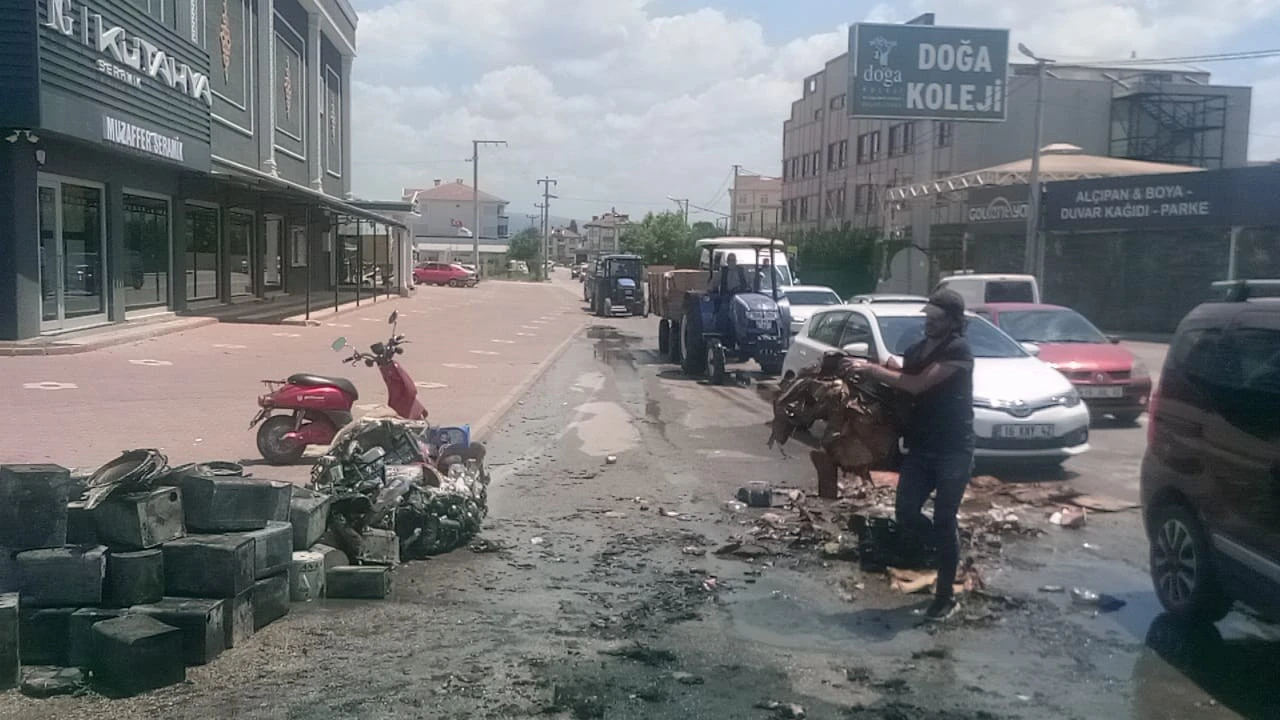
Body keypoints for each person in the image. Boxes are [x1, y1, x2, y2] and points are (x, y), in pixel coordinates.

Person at [852, 289, 974, 621]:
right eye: (928, 318)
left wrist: (873, 370)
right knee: (906, 512)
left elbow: (917, 384)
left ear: (953, 321)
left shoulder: (958, 350)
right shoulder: (916, 349)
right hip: (920, 448)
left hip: (953, 449)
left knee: (944, 518)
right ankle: (948, 551)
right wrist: (873, 370)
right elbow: (903, 377)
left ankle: (945, 595)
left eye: (936, 319)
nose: (929, 324)